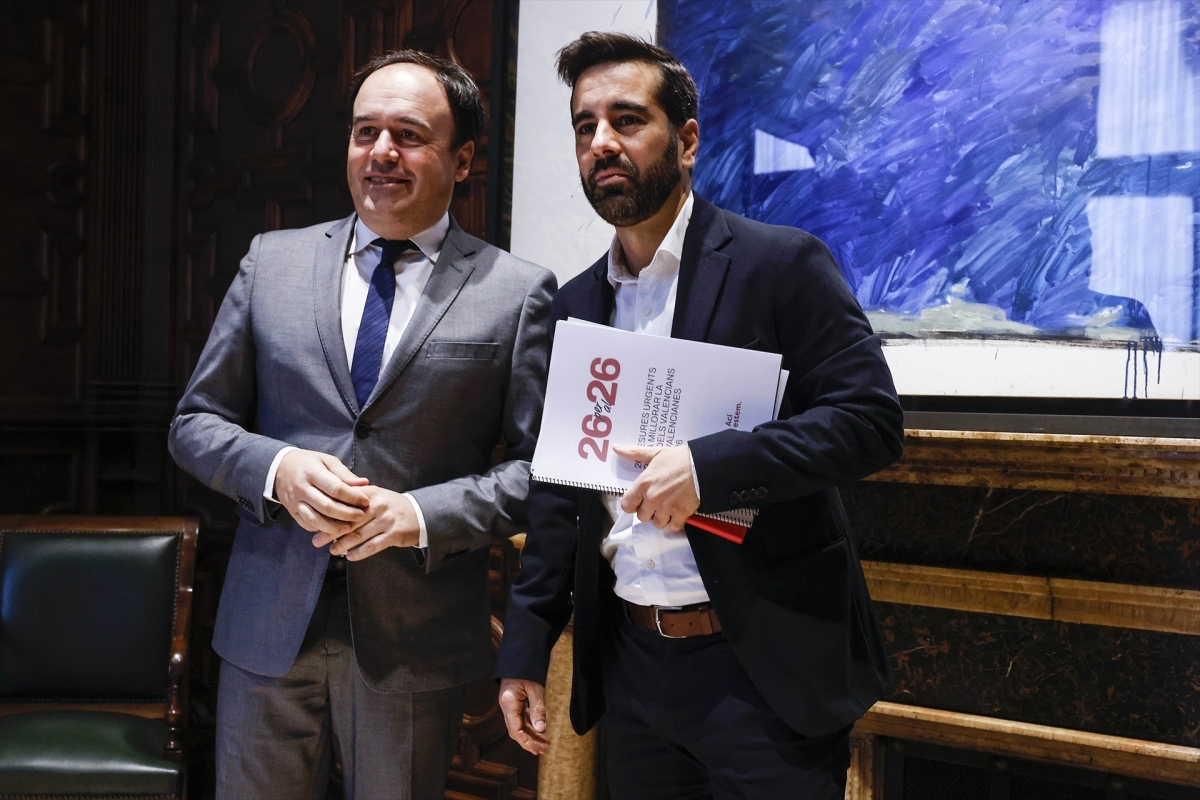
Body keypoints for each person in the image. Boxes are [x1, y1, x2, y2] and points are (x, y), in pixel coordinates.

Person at [495, 32, 904, 800]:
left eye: (626, 119)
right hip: (633, 671)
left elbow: (870, 420)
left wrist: (710, 468)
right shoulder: (574, 305)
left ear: (686, 141)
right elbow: (558, 493)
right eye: (585, 126)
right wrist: (525, 648)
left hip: (762, 670)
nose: (601, 142)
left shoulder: (779, 264)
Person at [168, 50, 554, 800]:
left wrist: (420, 515)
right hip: (266, 624)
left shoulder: (516, 291)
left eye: (408, 135)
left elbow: (539, 472)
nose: (381, 152)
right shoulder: (270, 263)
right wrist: (277, 469)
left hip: (414, 634)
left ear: (463, 159)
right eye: (364, 131)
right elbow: (194, 422)